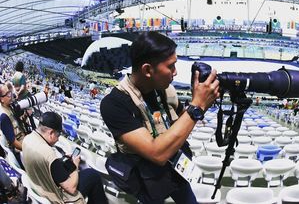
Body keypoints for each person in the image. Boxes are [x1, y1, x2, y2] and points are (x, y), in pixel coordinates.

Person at [100, 31, 219, 204]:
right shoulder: (114, 104)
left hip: (176, 168)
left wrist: (198, 103)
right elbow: (157, 153)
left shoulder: (166, 90)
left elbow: (181, 120)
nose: (175, 72)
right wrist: (197, 107)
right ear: (148, 70)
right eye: (171, 66)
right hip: (146, 177)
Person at [22, 112, 108, 204]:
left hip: (40, 186)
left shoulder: (27, 138)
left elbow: (46, 164)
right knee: (93, 176)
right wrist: (75, 165)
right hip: (56, 197)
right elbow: (71, 188)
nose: (58, 139)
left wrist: (60, 161)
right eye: (58, 135)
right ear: (51, 133)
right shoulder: (48, 153)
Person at [0, 84, 26, 168]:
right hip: (19, 150)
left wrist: (25, 116)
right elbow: (13, 142)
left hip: (23, 140)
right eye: (8, 94)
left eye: (10, 92)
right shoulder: (3, 116)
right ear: (1, 99)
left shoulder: (9, 106)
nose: (11, 96)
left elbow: (17, 126)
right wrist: (28, 150)